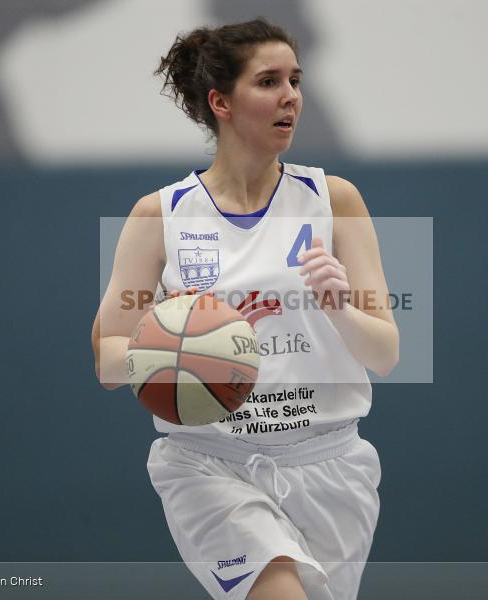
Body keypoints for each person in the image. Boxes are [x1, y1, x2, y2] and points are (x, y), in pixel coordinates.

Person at [92, 18, 398, 599]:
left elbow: (385, 353)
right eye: (268, 81)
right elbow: (107, 358)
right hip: (209, 463)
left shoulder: (334, 199)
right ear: (221, 102)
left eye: (296, 80)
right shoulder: (161, 214)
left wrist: (338, 309)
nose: (291, 96)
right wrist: (170, 350)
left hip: (332, 463)